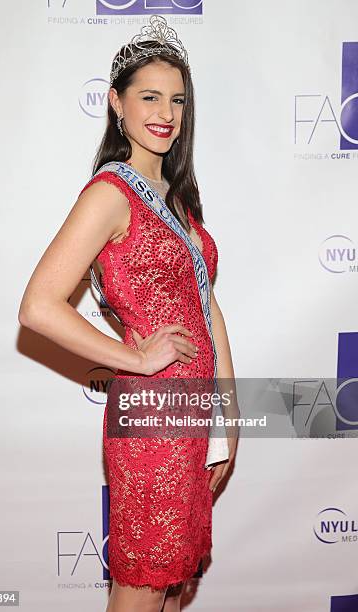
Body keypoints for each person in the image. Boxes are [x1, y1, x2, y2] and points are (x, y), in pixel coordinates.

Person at [18, 14, 238, 612]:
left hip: (191, 413)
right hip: (152, 416)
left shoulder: (176, 199)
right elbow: (38, 306)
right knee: (140, 590)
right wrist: (134, 357)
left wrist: (230, 412)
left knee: (171, 586)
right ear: (117, 103)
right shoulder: (111, 193)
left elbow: (205, 306)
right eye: (148, 96)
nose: (165, 112)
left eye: (177, 100)